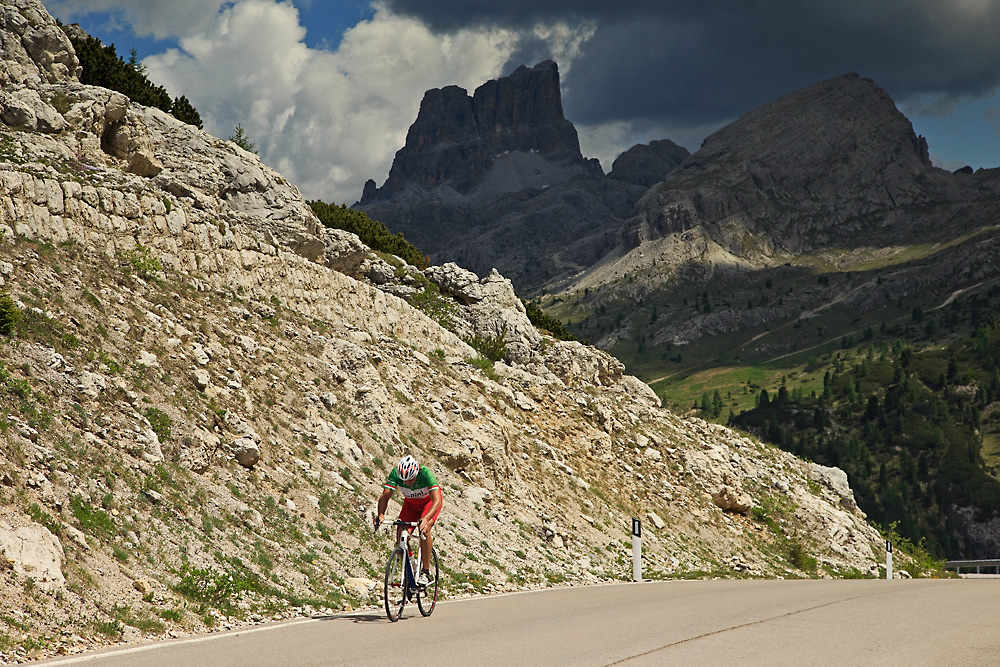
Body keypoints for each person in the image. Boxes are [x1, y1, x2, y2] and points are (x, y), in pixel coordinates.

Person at [375, 455, 443, 587]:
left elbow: (437, 500)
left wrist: (426, 518)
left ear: (416, 473)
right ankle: (410, 565)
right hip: (411, 505)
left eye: (411, 480)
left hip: (429, 504)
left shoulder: (426, 473)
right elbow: (385, 497)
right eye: (404, 481)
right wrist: (381, 515)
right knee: (401, 532)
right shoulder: (395, 474)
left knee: (425, 529)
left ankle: (425, 572)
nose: (407, 484)